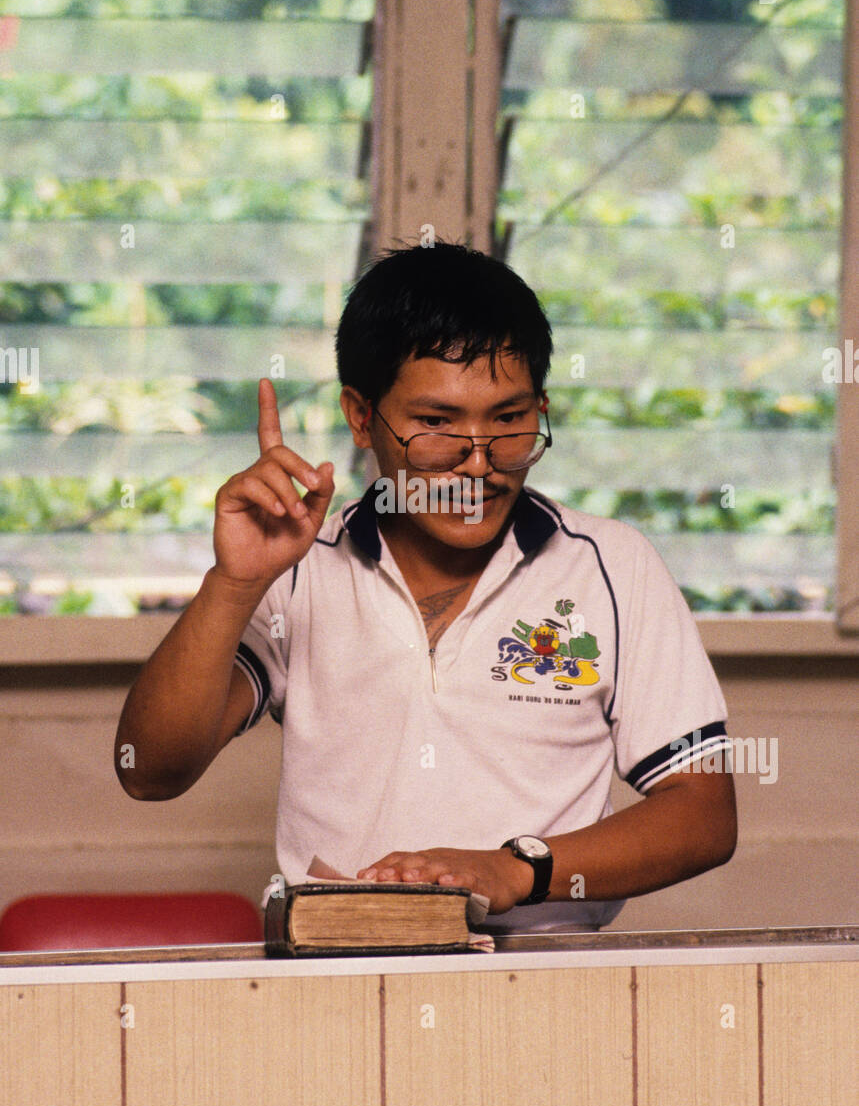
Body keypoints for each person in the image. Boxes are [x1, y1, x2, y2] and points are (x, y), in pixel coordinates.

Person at [115, 240, 736, 935]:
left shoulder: (612, 567)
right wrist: (233, 585)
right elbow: (149, 770)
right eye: (436, 426)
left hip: (546, 985)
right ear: (359, 416)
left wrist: (515, 868)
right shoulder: (298, 570)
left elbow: (703, 814)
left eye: (509, 421)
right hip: (337, 977)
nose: (478, 463)